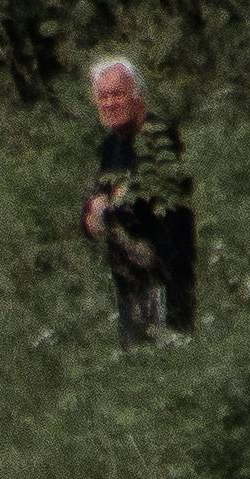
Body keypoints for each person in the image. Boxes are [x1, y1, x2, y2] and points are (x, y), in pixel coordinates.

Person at [79, 55, 195, 345]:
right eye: (103, 97)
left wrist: (112, 210)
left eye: (117, 94)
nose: (109, 103)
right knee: (137, 363)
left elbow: (153, 204)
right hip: (130, 280)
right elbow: (97, 207)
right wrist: (94, 215)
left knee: (168, 360)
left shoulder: (158, 137)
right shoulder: (111, 146)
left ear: (137, 95)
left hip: (165, 274)